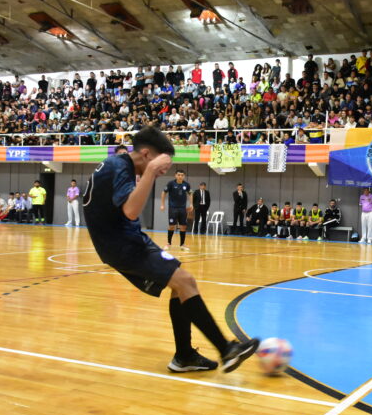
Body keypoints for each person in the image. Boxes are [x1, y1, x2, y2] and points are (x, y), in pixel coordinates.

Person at [82, 126, 259, 372]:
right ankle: (227, 350)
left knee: (182, 285)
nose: (166, 169)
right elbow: (131, 211)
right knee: (185, 281)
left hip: (128, 241)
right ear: (146, 154)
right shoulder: (119, 167)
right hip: (122, 245)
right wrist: (151, 173)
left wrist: (150, 172)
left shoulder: (118, 164)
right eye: (162, 162)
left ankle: (184, 356)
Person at [160, 169, 192, 251]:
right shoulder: (171, 184)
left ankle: (182, 245)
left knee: (183, 226)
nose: (180, 176)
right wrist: (162, 204)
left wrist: (191, 204)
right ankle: (168, 243)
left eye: (182, 175)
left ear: (184, 176)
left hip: (182, 209)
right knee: (171, 226)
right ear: (175, 175)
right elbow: (164, 193)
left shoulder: (186, 185)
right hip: (173, 208)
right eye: (178, 175)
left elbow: (190, 193)